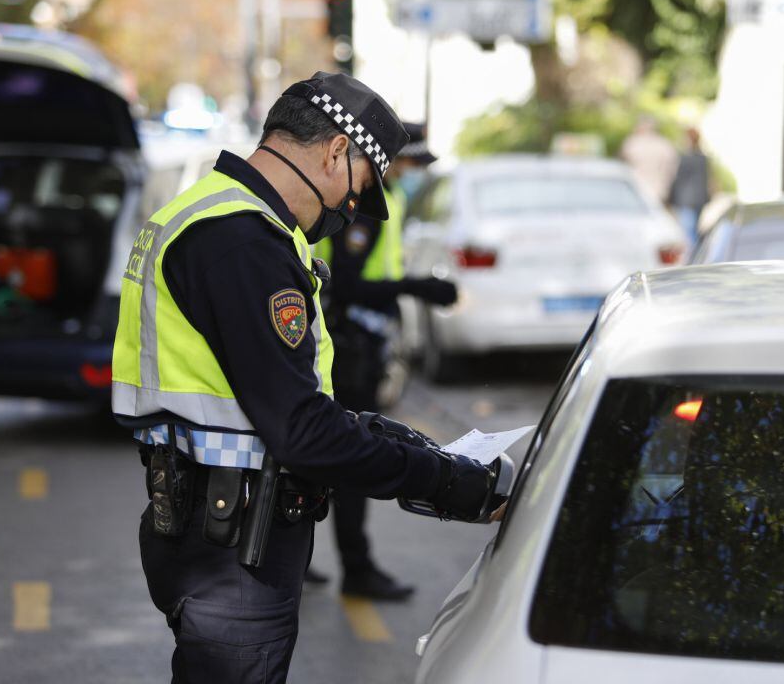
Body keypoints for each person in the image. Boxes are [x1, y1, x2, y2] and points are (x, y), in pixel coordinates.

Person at [111, 72, 497, 684]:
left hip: (209, 529)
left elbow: (261, 398)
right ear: (337, 152)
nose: (349, 212)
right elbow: (301, 432)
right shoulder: (243, 243)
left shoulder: (210, 216)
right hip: (234, 547)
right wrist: (453, 485)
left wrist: (375, 432)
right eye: (360, 189)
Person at [306, 122, 455, 600]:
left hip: (359, 342)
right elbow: (346, 285)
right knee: (350, 456)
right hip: (348, 347)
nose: (413, 173)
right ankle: (357, 568)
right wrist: (417, 288)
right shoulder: (365, 211)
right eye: (410, 163)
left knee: (322, 457)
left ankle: (295, 553)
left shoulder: (382, 201)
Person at [619, 115, 679, 205]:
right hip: (658, 189)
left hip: (636, 189)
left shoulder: (632, 143)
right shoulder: (664, 145)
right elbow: (672, 169)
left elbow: (622, 164)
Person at [668, 127, 713, 246]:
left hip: (686, 200)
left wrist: (670, 198)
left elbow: (678, 179)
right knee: (694, 230)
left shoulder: (685, 158)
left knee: (688, 232)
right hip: (699, 199)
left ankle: (693, 256)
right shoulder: (703, 158)